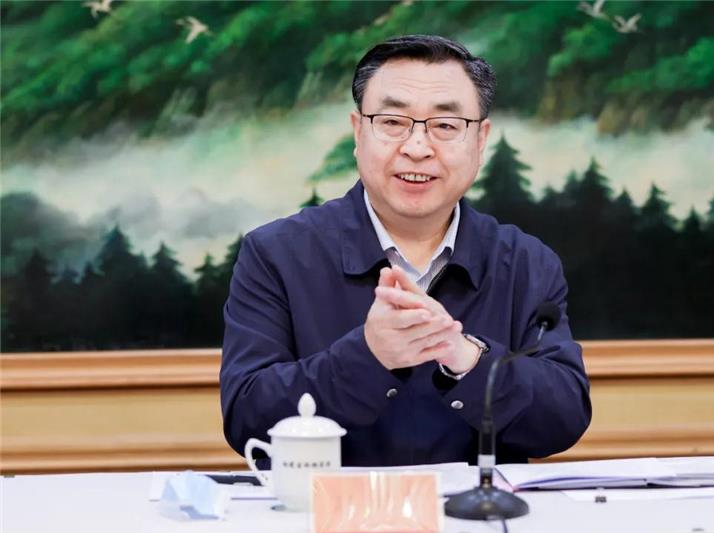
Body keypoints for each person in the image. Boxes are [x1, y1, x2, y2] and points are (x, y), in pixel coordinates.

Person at [220, 34, 591, 467]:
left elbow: (563, 418)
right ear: (359, 132)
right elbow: (246, 417)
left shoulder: (526, 261)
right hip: (326, 506)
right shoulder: (276, 255)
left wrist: (467, 358)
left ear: (480, 140)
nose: (417, 148)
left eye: (446, 126)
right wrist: (368, 356)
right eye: (393, 122)